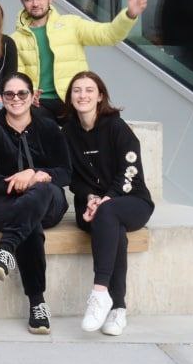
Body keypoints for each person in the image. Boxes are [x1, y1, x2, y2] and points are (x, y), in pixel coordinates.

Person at [0, 72, 72, 335]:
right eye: (9, 94)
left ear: (32, 97)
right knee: (30, 224)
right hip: (5, 203)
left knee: (40, 191)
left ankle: (6, 248)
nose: (15, 98)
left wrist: (35, 175)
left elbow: (66, 172)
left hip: (48, 200)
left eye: (22, 93)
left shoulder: (48, 127)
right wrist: (16, 183)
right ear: (2, 97)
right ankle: (37, 303)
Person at [62, 72, 153, 336]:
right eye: (77, 90)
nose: (83, 95)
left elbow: (130, 170)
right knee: (112, 226)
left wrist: (107, 198)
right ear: (70, 97)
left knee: (109, 212)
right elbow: (70, 176)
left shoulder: (116, 127)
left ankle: (100, 292)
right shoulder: (68, 132)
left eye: (89, 90)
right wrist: (91, 197)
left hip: (131, 201)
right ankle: (118, 309)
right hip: (91, 207)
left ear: (100, 96)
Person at [12, 0, 148, 116]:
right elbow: (19, 76)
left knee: (109, 120)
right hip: (38, 103)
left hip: (73, 98)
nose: (35, 3)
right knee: (34, 123)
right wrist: (27, 93)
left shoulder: (71, 24)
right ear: (22, 2)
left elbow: (108, 35)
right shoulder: (16, 39)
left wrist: (129, 15)